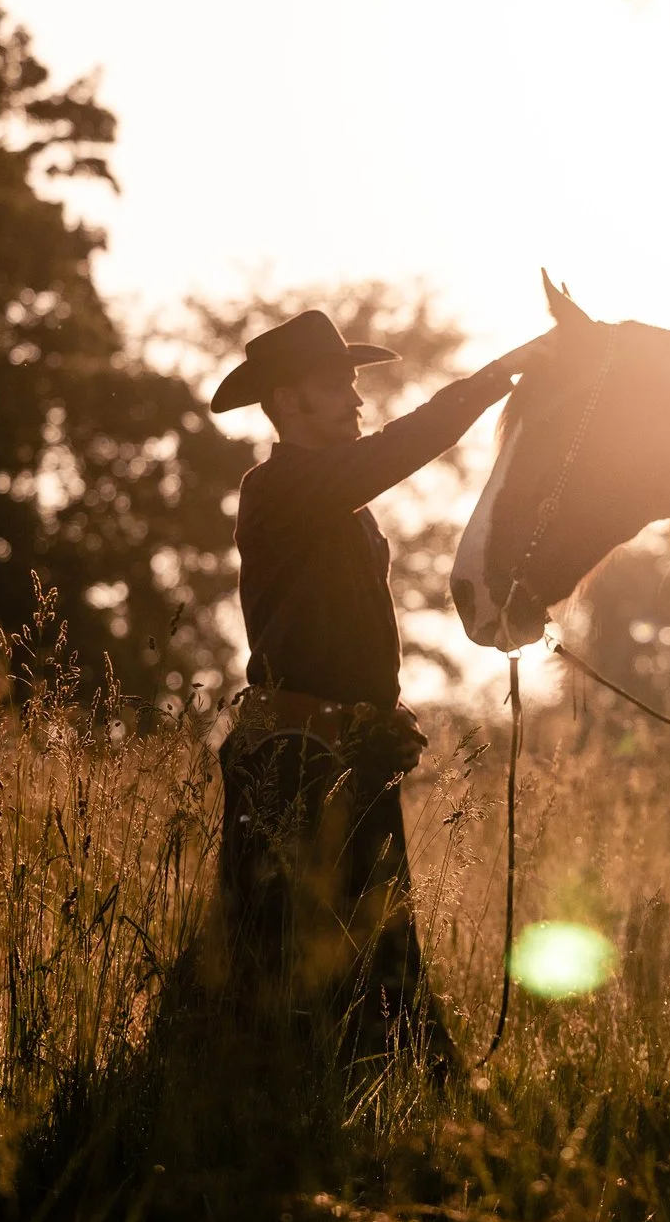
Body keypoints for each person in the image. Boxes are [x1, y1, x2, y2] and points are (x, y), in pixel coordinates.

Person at [209, 308, 537, 1068]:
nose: (357, 401)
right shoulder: (278, 487)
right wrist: (489, 383)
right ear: (288, 403)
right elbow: (399, 447)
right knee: (289, 972)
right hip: (293, 764)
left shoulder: (338, 504)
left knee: (379, 967)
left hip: (348, 757)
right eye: (336, 386)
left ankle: (394, 1094)